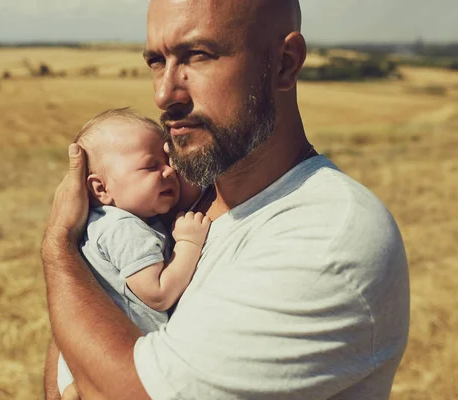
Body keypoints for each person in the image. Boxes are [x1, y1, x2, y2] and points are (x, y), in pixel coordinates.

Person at [42, 0, 410, 399]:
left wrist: (61, 249)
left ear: (284, 63)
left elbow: (129, 391)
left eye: (197, 55)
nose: (165, 94)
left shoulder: (328, 235)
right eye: (155, 61)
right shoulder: (170, 207)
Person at [55, 108, 211, 396]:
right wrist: (190, 244)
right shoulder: (124, 228)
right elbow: (158, 293)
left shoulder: (106, 222)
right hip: (119, 356)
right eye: (151, 166)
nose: (169, 171)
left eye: (168, 162)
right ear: (102, 189)